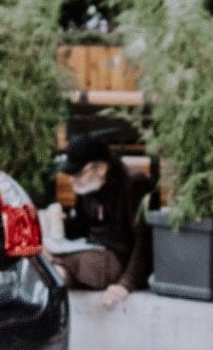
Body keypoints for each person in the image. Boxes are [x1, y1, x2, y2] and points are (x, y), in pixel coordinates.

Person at [52, 130, 152, 307]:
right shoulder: (87, 185)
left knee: (77, 264)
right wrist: (57, 223)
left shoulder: (132, 184)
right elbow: (80, 228)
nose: (73, 181)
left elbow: (144, 239)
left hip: (119, 258)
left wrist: (126, 284)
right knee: (48, 255)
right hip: (92, 249)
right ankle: (56, 272)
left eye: (78, 174)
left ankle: (57, 273)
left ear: (101, 168)